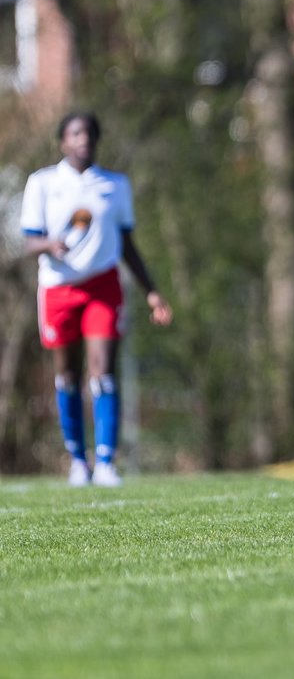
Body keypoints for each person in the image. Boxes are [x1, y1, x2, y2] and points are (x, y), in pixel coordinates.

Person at [20, 112, 173, 487]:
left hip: (103, 286)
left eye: (88, 133)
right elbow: (28, 241)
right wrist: (49, 244)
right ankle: (78, 461)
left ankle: (106, 461)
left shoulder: (115, 185)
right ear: (62, 142)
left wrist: (151, 291)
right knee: (67, 374)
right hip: (58, 287)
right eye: (75, 133)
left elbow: (127, 244)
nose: (82, 139)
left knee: (102, 370)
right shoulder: (43, 183)